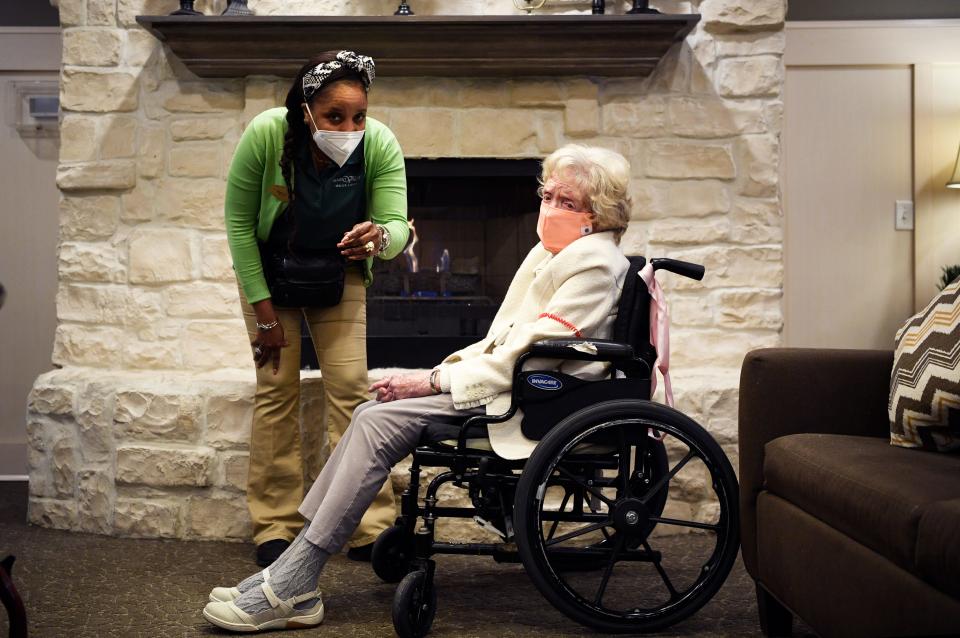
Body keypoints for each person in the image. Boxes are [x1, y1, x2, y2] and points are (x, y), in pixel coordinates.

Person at [203, 144, 633, 632]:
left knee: (376, 423)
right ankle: (293, 569)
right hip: (519, 386)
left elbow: (529, 353)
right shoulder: (557, 252)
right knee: (370, 415)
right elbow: (505, 342)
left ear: (598, 215)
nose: (548, 207)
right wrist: (436, 376)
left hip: (539, 402)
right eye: (546, 194)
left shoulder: (594, 265)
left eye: (566, 202)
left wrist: (430, 380)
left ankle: (295, 579)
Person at [225, 50, 409, 567]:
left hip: (339, 274)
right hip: (268, 275)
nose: (349, 128)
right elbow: (239, 226)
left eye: (359, 116)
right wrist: (264, 317)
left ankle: (368, 525)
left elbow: (398, 226)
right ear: (306, 110)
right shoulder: (266, 134)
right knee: (276, 389)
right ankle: (274, 525)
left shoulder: (379, 144)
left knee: (352, 392)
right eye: (334, 116)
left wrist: (379, 238)